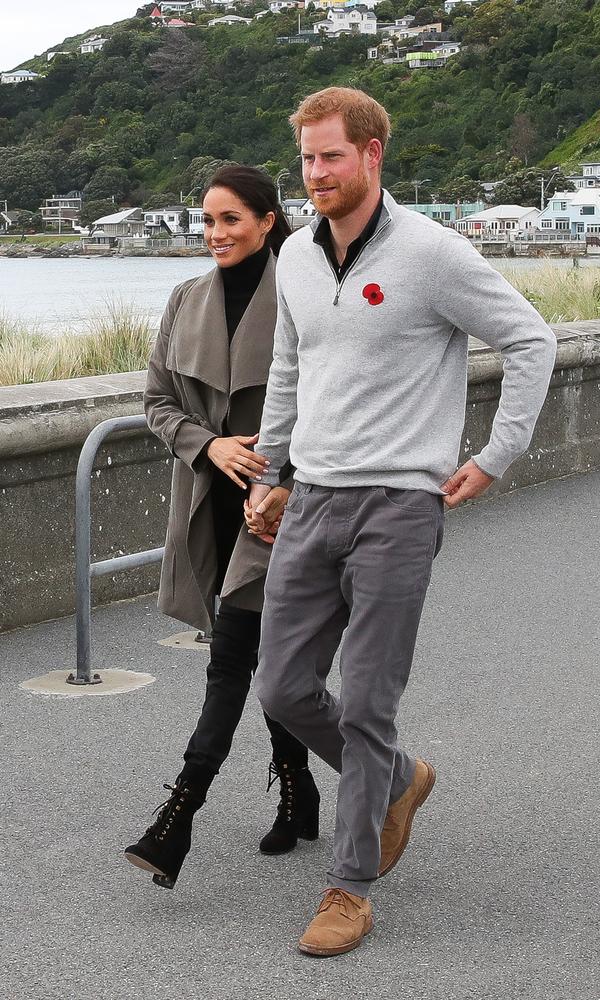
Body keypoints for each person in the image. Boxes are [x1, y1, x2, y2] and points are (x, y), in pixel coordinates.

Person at [245, 87, 557, 955]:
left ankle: (349, 888)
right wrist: (270, 472)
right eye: (306, 159)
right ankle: (399, 783)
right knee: (282, 687)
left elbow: (533, 340)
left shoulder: (433, 254)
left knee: (370, 703)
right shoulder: (296, 259)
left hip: (400, 508)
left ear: (373, 154)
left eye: (331, 157)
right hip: (311, 499)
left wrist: (496, 454)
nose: (315, 175)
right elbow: (287, 369)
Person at [124, 165, 320, 891]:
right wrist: (208, 443)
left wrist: (285, 481)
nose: (215, 235)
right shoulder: (185, 299)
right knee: (266, 659)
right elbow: (154, 400)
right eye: (206, 222)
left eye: (231, 219)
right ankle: (299, 790)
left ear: (268, 221)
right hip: (210, 499)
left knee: (235, 659)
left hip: (281, 504)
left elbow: (332, 404)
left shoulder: (306, 291)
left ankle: (179, 814)